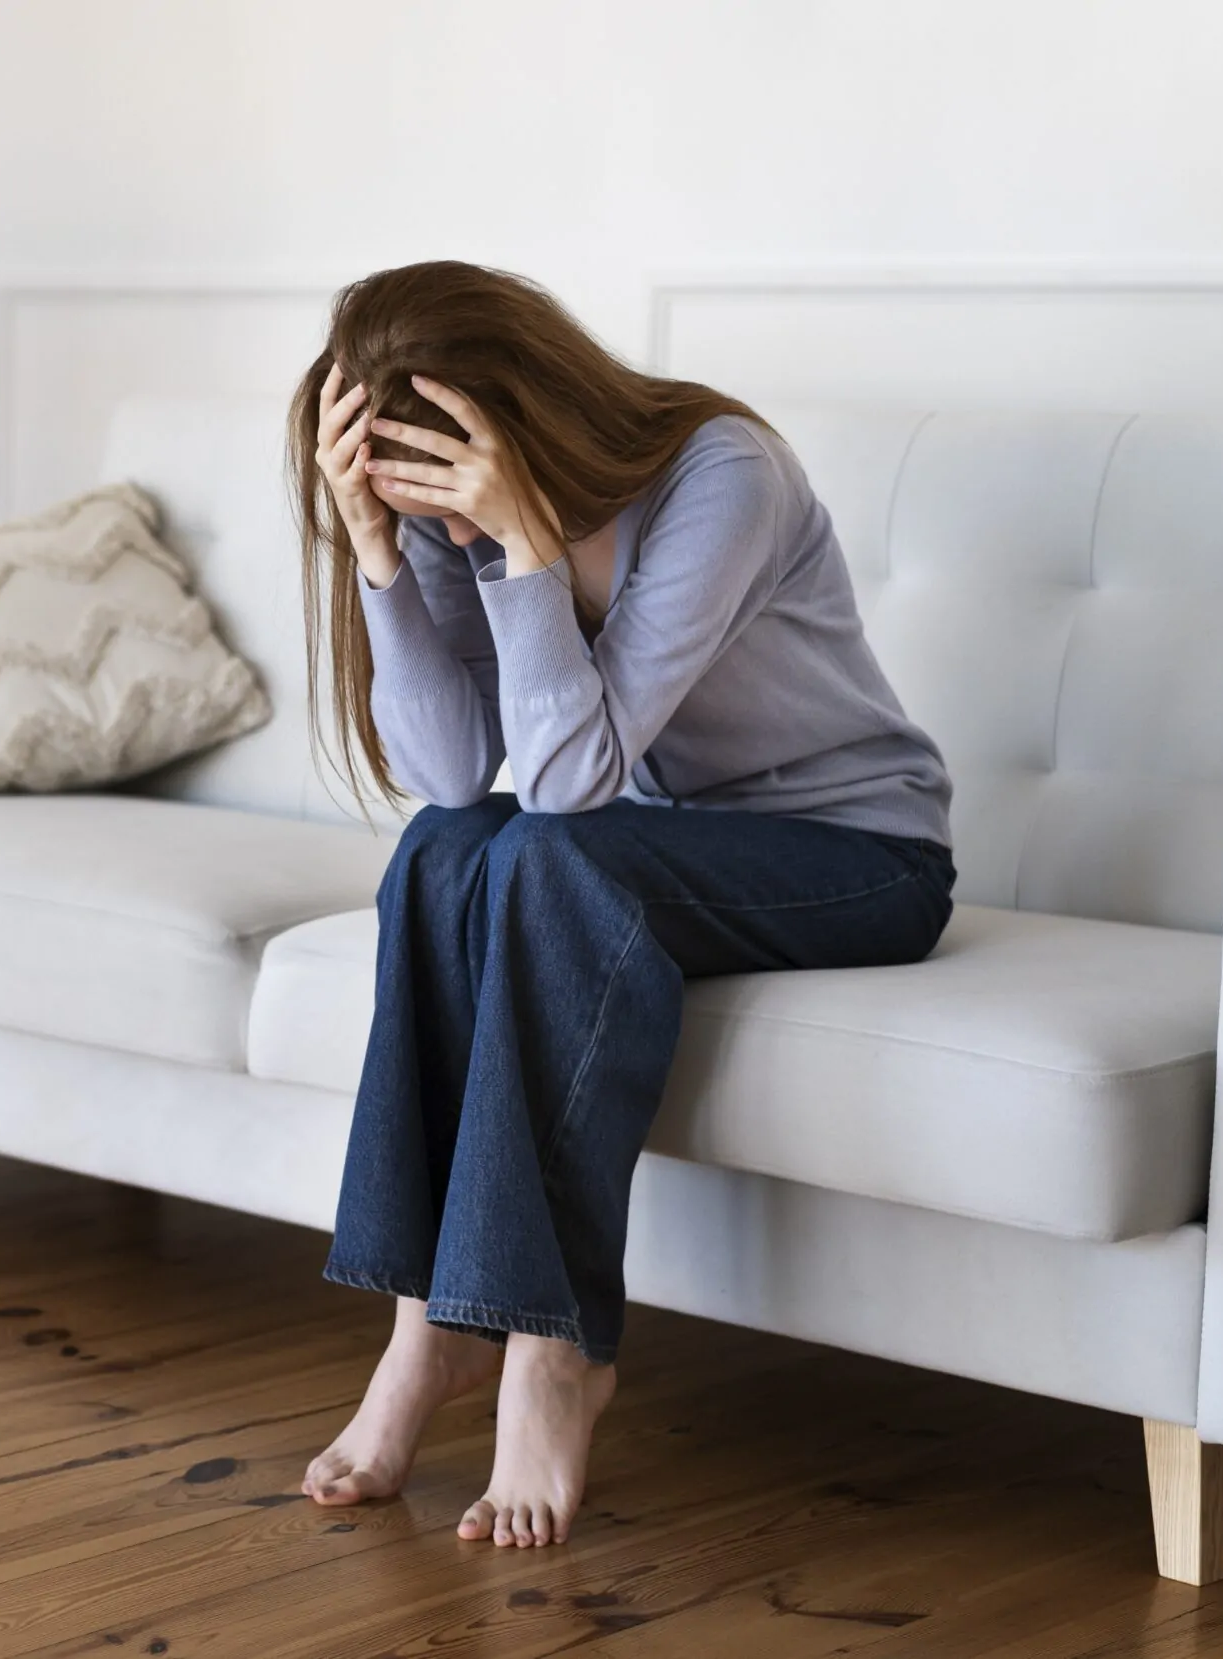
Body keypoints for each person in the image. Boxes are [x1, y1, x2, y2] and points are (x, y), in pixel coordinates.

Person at [287, 261, 957, 1548]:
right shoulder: (438, 513)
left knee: (540, 857)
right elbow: (444, 775)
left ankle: (555, 1347)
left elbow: (565, 780)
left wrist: (526, 547)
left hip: (857, 855)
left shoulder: (722, 474)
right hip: (652, 849)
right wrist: (383, 548)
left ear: (521, 412)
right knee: (439, 851)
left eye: (441, 485)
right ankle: (422, 1330)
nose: (443, 518)